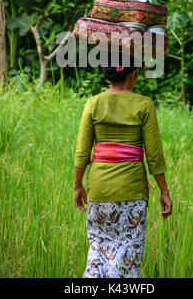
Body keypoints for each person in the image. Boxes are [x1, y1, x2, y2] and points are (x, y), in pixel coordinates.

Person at [73, 52, 173, 278]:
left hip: (98, 192)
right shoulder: (144, 104)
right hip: (131, 193)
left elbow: (82, 152)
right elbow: (154, 155)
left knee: (97, 256)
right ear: (133, 75)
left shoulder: (93, 104)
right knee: (125, 263)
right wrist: (164, 191)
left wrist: (78, 185)